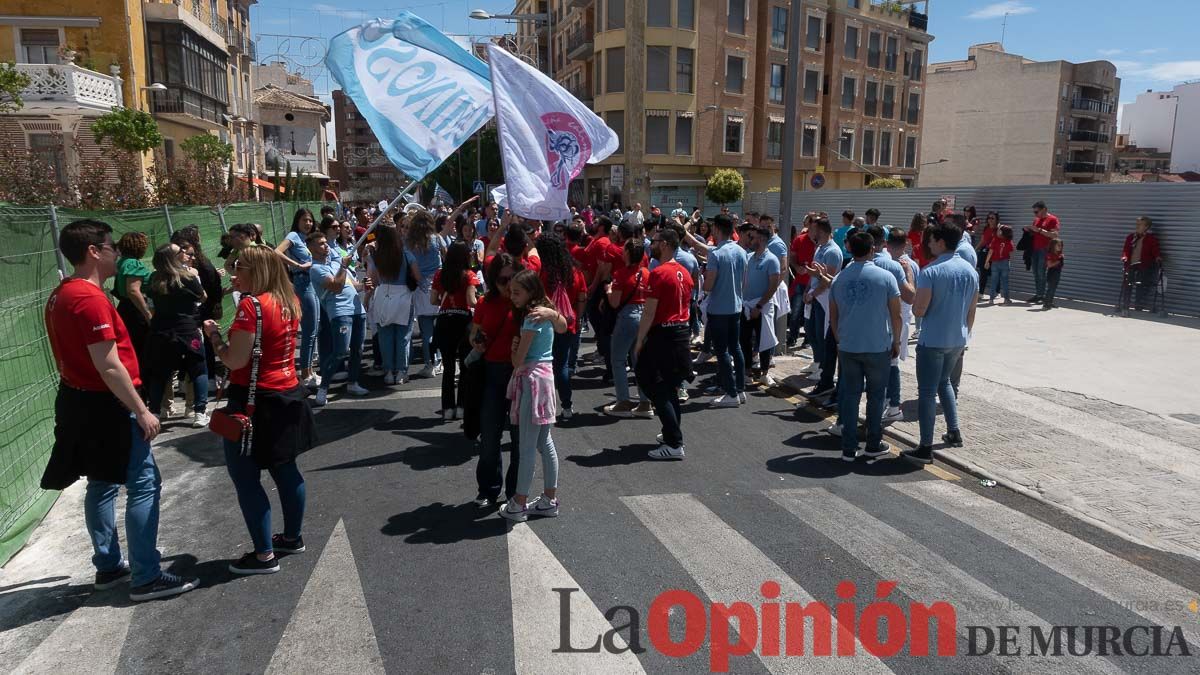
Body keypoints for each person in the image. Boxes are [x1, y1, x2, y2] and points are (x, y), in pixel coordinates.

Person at [42, 219, 198, 601]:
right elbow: (108, 364)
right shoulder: (90, 299)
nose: (117, 253)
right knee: (143, 483)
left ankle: (108, 566)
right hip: (108, 404)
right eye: (110, 247)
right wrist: (141, 410)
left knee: (102, 482)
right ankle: (146, 576)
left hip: (81, 399)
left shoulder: (61, 293)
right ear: (94, 251)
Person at [203, 245, 315, 575]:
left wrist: (214, 337)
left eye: (240, 268)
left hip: (253, 401)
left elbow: (234, 359)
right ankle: (291, 537)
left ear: (258, 272)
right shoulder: (289, 301)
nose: (234, 273)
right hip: (288, 393)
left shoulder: (251, 306)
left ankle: (264, 554)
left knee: (246, 478)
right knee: (286, 468)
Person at [903, 219, 979, 465]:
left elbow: (920, 309)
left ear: (941, 241)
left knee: (926, 392)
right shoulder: (970, 270)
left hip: (933, 339)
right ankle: (954, 431)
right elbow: (972, 310)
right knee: (945, 382)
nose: (929, 244)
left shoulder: (931, 271)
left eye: (932, 240)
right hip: (958, 338)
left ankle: (925, 447)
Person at [498, 270, 569, 522]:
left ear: (530, 292)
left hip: (531, 381)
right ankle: (549, 499)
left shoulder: (531, 318)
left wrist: (514, 349)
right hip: (545, 379)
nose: (512, 296)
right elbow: (564, 326)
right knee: (544, 442)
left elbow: (518, 362)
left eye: (517, 292)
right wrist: (552, 313)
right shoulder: (545, 310)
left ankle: (519, 503)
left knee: (527, 446)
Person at [830, 232, 901, 462]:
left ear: (850, 249)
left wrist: (840, 340)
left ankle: (848, 447)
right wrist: (897, 340)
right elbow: (896, 314)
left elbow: (834, 317)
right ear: (872, 250)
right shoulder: (886, 277)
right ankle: (872, 443)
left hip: (849, 345)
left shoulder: (839, 279)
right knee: (876, 396)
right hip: (877, 345)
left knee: (850, 397)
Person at [635, 228, 695, 459]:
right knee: (668, 386)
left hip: (664, 334)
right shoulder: (685, 273)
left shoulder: (659, 273)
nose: (652, 244)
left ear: (667, 245)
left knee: (653, 383)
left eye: (656, 241)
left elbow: (649, 312)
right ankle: (671, 431)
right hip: (680, 333)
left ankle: (674, 442)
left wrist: (640, 340)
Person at [471, 254, 523, 508]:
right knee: (490, 437)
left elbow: (557, 320)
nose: (508, 284)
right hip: (492, 374)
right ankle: (489, 489)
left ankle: (515, 492)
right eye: (503, 279)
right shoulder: (485, 302)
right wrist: (477, 341)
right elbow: (474, 334)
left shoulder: (526, 303)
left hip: (520, 375)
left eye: (514, 278)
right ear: (493, 280)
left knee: (519, 439)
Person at [143, 243, 209, 427]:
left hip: (160, 330)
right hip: (187, 329)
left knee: (159, 373)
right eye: (180, 251)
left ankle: (156, 410)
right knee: (198, 368)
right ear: (174, 258)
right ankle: (199, 412)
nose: (185, 253)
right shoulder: (188, 276)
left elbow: (150, 305)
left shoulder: (154, 279)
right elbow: (202, 297)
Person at [308, 231, 370, 406]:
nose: (325, 246)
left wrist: (364, 285)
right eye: (320, 243)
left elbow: (351, 285)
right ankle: (323, 388)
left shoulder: (336, 262)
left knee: (358, 349)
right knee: (340, 351)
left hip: (357, 309)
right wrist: (343, 267)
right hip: (340, 312)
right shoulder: (315, 269)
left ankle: (353, 383)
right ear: (311, 248)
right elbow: (335, 286)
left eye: (325, 243)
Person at [537, 234, 588, 420]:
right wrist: (578, 317)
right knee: (562, 366)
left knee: (542, 366)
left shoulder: (542, 272)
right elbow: (582, 297)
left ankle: (543, 407)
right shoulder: (574, 271)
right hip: (568, 323)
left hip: (544, 325)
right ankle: (566, 406)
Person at [431, 242, 481, 420]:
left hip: (444, 321)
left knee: (449, 367)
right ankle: (461, 407)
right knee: (465, 366)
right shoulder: (469, 275)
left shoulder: (439, 274)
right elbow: (471, 301)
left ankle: (447, 409)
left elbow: (433, 300)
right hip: (463, 322)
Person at [171, 227, 224, 392]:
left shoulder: (180, 266)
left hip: (191, 312)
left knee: (190, 348)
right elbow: (206, 292)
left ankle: (184, 381)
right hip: (199, 312)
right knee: (202, 347)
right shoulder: (196, 266)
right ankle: (206, 379)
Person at [704, 214, 749, 408]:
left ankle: (731, 393)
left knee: (722, 351)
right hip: (736, 306)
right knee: (735, 348)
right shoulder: (741, 251)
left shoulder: (715, 254)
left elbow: (708, 285)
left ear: (716, 229)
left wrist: (704, 278)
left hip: (719, 309)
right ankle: (740, 389)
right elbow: (744, 281)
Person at [604, 239, 651, 418]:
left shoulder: (621, 274)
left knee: (618, 360)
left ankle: (623, 401)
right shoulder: (647, 273)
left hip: (627, 317)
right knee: (639, 361)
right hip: (644, 315)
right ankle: (645, 402)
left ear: (628, 254)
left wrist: (608, 290)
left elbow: (614, 302)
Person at [369, 224, 420, 385]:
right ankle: (401, 371)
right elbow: (417, 277)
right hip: (403, 296)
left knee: (385, 336)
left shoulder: (376, 255)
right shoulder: (406, 253)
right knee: (403, 336)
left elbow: (374, 280)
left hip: (383, 294)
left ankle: (389, 371)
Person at [275, 209, 318, 387]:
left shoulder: (308, 239)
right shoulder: (293, 235)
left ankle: (310, 370)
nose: (307, 223)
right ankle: (305, 373)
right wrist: (298, 265)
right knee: (309, 330)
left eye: (310, 220)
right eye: (304, 220)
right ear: (297, 221)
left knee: (315, 328)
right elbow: (276, 252)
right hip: (302, 283)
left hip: (314, 283)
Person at [741, 225, 784, 387]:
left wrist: (758, 306)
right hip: (746, 307)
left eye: (754, 238)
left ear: (762, 240)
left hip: (762, 307)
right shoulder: (749, 257)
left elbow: (773, 286)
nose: (751, 240)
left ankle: (765, 373)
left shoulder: (772, 260)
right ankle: (747, 371)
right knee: (744, 339)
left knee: (764, 340)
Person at [883, 229, 919, 422]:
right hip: (901, 318)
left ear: (887, 244)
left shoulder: (904, 266)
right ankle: (890, 402)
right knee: (890, 363)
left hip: (895, 318)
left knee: (891, 364)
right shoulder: (910, 264)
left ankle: (893, 404)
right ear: (905, 243)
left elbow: (911, 295)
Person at [406, 211, 447, 378]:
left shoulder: (409, 243)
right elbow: (446, 255)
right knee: (440, 329)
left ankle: (429, 364)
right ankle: (440, 361)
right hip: (438, 284)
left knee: (426, 331)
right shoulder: (437, 239)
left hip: (421, 286)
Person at [113, 232, 153, 371]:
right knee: (143, 349)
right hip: (135, 311)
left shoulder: (122, 262)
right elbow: (133, 291)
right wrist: (148, 314)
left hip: (125, 308)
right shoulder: (133, 264)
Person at [1121, 216, 1162, 312]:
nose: (1137, 226)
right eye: (1137, 224)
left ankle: (1138, 306)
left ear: (1146, 227)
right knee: (1128, 284)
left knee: (1140, 285)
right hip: (1130, 264)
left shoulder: (1151, 239)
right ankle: (1125, 305)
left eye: (1140, 224)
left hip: (1143, 265)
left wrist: (1158, 257)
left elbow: (1155, 250)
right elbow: (1125, 250)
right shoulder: (1131, 237)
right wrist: (1124, 257)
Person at [1025, 201, 1060, 304]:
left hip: (1045, 249)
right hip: (1035, 249)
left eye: (1036, 212)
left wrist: (1039, 230)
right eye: (1034, 212)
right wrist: (1029, 230)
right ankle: (1039, 294)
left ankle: (1043, 295)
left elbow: (1054, 235)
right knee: (1036, 272)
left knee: (1041, 272)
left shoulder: (1052, 219)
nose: (1035, 214)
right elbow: (1035, 233)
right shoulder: (1036, 220)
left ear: (1044, 209)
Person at [984, 224, 1015, 304]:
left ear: (1001, 232)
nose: (997, 231)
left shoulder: (995, 239)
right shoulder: (1009, 241)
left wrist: (987, 262)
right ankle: (1006, 299)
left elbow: (990, 252)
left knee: (994, 281)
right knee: (1005, 282)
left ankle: (991, 299)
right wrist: (1010, 262)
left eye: (998, 230)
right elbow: (1011, 253)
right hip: (1005, 262)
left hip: (995, 263)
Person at [975, 212, 999, 292]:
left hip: (994, 254)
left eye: (992, 218)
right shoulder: (986, 228)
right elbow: (982, 241)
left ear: (996, 220)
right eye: (989, 218)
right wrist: (975, 249)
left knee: (994, 273)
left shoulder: (999, 229)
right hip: (984, 252)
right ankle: (981, 292)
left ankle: (997, 291)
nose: (990, 220)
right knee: (983, 273)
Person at [1042, 239, 1065, 310]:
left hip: (1057, 273)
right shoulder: (1050, 254)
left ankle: (1050, 302)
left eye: (1061, 245)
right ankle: (1045, 304)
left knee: (1053, 289)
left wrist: (1061, 259)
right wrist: (1058, 261)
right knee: (1050, 289)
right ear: (1053, 246)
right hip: (1052, 274)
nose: (1060, 247)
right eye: (1058, 245)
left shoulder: (1059, 254)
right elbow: (1049, 265)